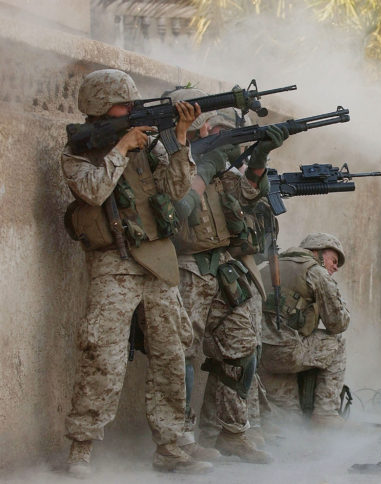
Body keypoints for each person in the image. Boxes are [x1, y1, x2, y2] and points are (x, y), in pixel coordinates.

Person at [61, 69, 210, 476]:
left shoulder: (146, 143)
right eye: (123, 104)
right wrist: (121, 147)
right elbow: (92, 191)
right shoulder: (80, 150)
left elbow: (175, 189)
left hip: (157, 260)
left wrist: (179, 138)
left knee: (170, 355)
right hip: (115, 264)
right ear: (98, 106)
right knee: (103, 356)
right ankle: (81, 447)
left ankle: (171, 446)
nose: (132, 109)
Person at [167, 86, 287, 463]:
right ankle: (181, 439)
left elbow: (251, 191)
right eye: (217, 132)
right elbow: (176, 206)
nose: (225, 142)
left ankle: (233, 432)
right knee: (181, 355)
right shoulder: (177, 162)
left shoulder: (221, 171)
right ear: (200, 131)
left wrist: (260, 156)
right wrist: (206, 164)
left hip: (222, 269)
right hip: (188, 268)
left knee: (242, 347)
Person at [258, 232, 351, 427]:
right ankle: (326, 414)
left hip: (261, 356)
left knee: (291, 422)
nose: (335, 267)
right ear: (316, 252)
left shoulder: (269, 267)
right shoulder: (316, 272)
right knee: (338, 341)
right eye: (333, 260)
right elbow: (337, 323)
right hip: (289, 353)